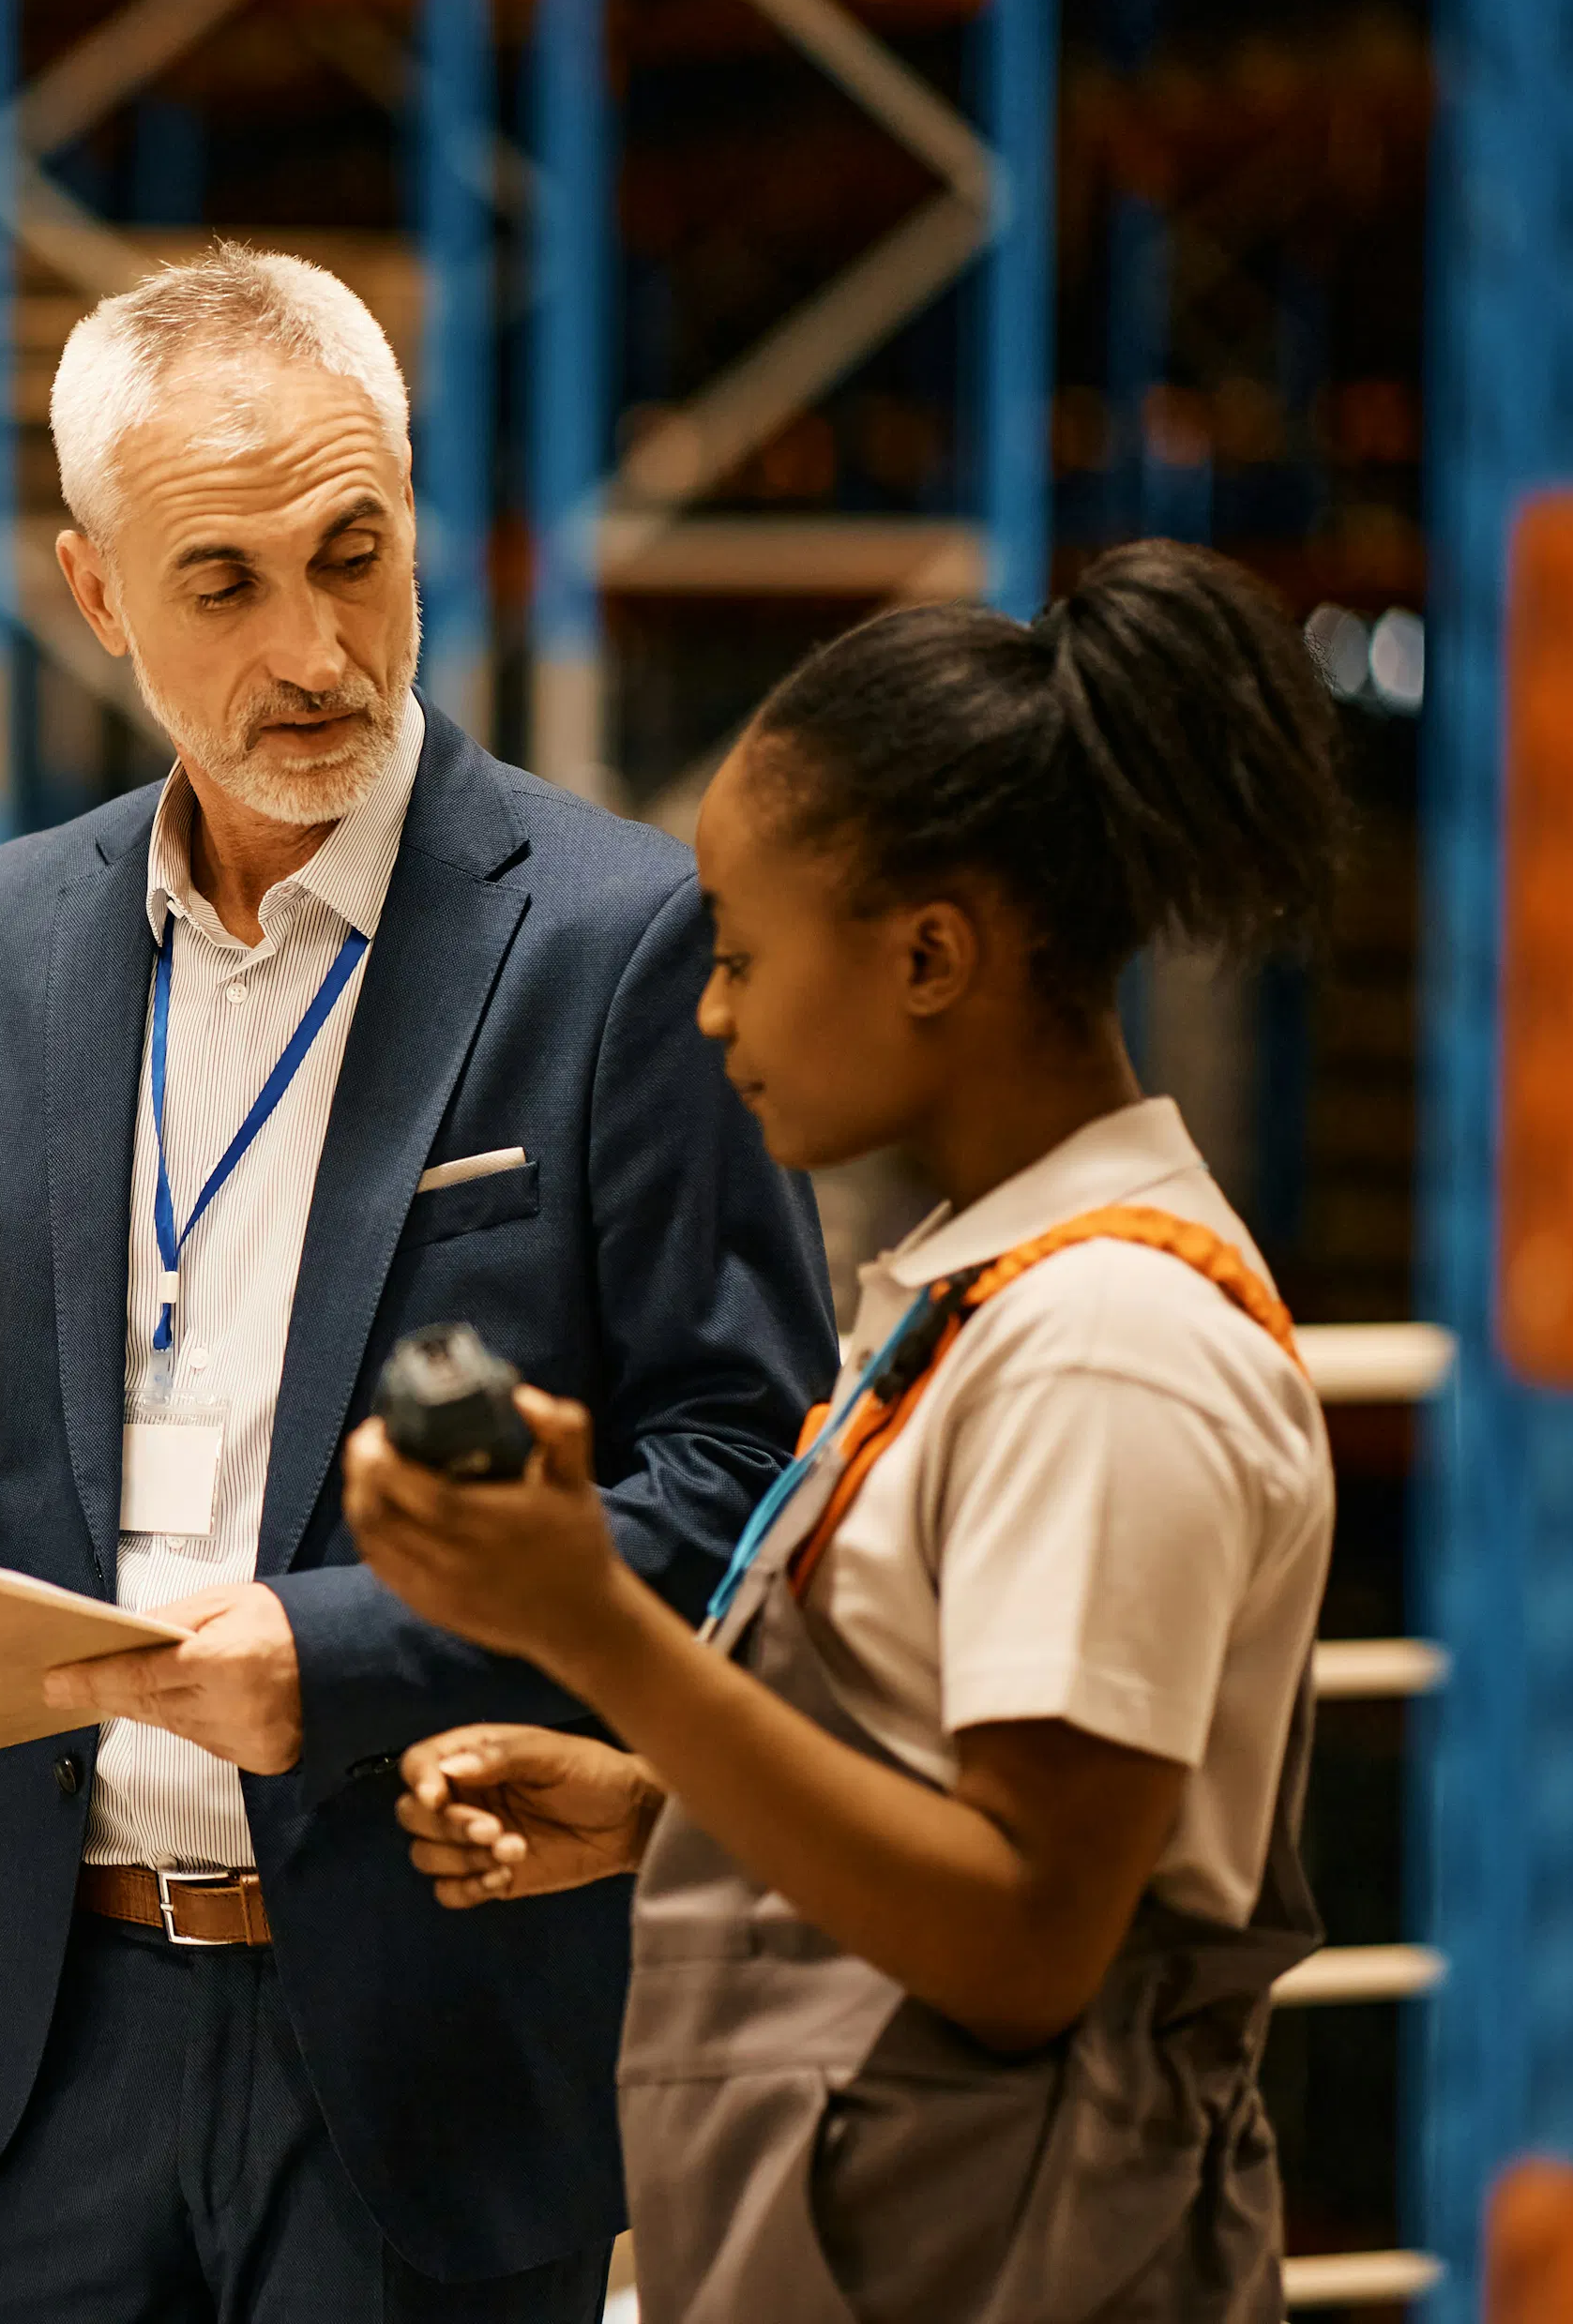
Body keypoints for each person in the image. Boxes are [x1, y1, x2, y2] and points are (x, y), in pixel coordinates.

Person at [0, 244, 836, 2319]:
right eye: (227, 585)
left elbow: (742, 1470)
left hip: (426, 2044)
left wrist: (336, 1649)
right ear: (96, 596)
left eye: (355, 556)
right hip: (48, 2034)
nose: (318, 650)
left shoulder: (619, 938)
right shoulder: (12, 932)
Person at [343, 539, 1348, 2323]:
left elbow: (1030, 1939)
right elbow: (941, 1777)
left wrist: (596, 1631)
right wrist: (667, 1812)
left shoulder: (1104, 1349)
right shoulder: (990, 1298)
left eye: (738, 955)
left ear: (933, 954)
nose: (714, 1014)